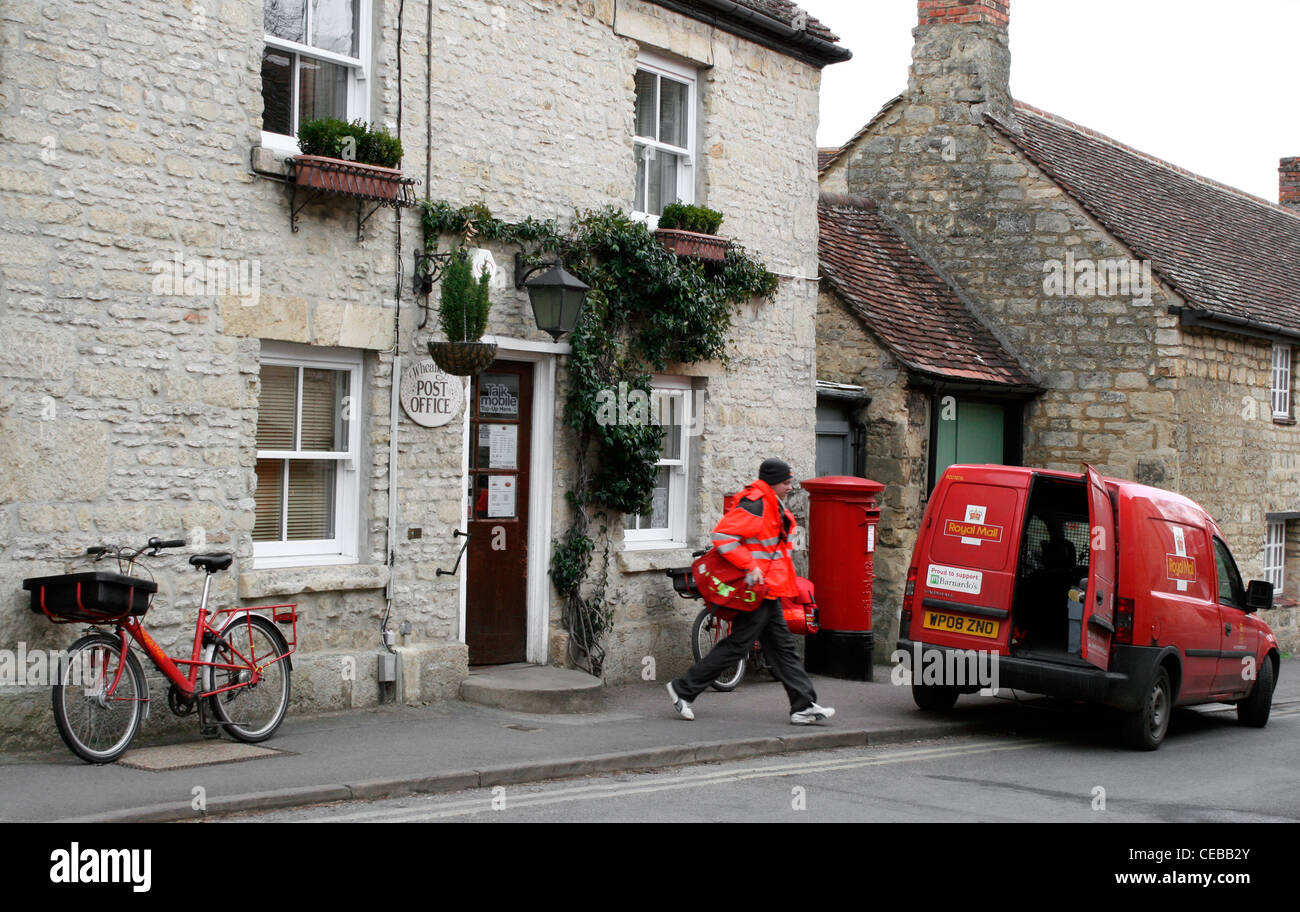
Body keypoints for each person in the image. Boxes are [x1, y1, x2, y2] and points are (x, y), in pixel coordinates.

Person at [666, 458, 835, 725]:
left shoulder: (771, 503)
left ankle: (803, 705)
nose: (790, 487)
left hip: (767, 591)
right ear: (772, 482)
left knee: (783, 649)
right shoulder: (756, 503)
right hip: (756, 591)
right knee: (739, 646)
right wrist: (749, 566)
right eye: (785, 482)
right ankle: (682, 689)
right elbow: (722, 536)